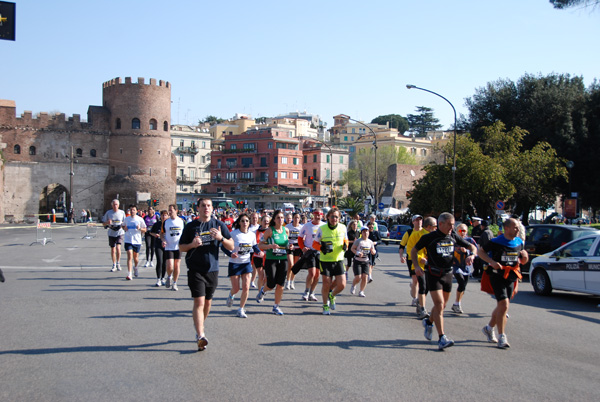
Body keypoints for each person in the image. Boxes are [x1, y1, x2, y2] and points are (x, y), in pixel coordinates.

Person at [411, 212, 476, 350]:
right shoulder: (430, 237)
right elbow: (413, 250)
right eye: (450, 225)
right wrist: (417, 266)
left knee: (442, 306)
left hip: (448, 274)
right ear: (440, 224)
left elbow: (472, 247)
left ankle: (428, 322)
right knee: (439, 304)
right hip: (433, 274)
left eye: (453, 225)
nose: (452, 227)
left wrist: (472, 255)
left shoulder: (452, 236)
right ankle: (442, 338)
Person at [179, 198, 233, 351]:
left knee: (208, 303)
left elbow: (231, 244)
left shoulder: (218, 225)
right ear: (198, 208)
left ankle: (200, 326)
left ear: (212, 208)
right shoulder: (191, 226)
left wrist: (220, 238)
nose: (206, 208)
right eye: (203, 206)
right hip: (195, 269)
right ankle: (200, 335)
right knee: (199, 302)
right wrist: (192, 245)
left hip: (213, 269)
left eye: (208, 206)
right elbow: (181, 247)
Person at [478, 218, 528, 348]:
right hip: (497, 276)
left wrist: (525, 257)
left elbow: (522, 260)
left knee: (503, 306)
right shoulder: (496, 242)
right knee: (504, 304)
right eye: (515, 227)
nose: (518, 230)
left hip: (511, 277)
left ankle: (489, 328)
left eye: (518, 227)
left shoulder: (519, 242)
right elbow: (480, 251)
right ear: (507, 228)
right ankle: (502, 337)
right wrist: (492, 262)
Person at [223, 213, 260, 318]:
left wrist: (259, 252)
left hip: (246, 263)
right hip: (235, 264)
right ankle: (231, 295)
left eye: (247, 221)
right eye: (243, 221)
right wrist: (230, 254)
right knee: (236, 288)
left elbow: (255, 246)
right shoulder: (234, 234)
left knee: (246, 287)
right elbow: (223, 246)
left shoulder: (251, 234)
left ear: (249, 223)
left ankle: (241, 309)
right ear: (239, 222)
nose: (245, 223)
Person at [314, 207, 348, 315]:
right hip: (325, 260)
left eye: (337, 217)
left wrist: (346, 245)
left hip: (338, 259)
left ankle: (331, 295)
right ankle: (325, 306)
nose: (334, 219)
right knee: (326, 283)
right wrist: (321, 248)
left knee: (342, 284)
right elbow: (314, 244)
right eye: (332, 216)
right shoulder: (322, 229)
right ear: (328, 217)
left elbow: (345, 239)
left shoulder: (343, 227)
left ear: (339, 218)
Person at [257, 210, 292, 315]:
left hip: (283, 260)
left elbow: (286, 245)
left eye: (282, 217)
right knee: (271, 284)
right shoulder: (270, 231)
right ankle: (263, 290)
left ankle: (276, 306)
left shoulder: (286, 230)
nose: (280, 219)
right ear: (274, 220)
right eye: (278, 218)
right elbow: (260, 245)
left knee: (280, 284)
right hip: (271, 260)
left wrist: (289, 247)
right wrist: (270, 246)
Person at [297, 209, 325, 302]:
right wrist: (303, 247)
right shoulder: (307, 225)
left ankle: (312, 293)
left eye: (319, 215)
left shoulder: (324, 226)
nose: (317, 217)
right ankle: (306, 291)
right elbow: (300, 238)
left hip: (320, 253)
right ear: (313, 215)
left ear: (322, 216)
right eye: (316, 215)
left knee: (317, 275)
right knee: (312, 273)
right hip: (310, 252)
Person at [413, 217, 437, 319]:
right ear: (429, 227)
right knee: (422, 285)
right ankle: (422, 309)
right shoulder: (417, 235)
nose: (436, 228)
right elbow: (411, 250)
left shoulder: (436, 237)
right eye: (435, 227)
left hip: (431, 265)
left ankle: (419, 301)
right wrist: (419, 259)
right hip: (420, 265)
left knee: (427, 287)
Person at [451, 223, 477, 314]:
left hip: (466, 266)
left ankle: (457, 303)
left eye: (464, 231)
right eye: (460, 231)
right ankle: (457, 303)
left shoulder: (469, 240)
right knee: (461, 282)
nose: (462, 233)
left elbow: (476, 250)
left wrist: (468, 252)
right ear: (457, 231)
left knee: (463, 286)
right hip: (456, 265)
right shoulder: (453, 240)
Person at [399, 215, 423, 307]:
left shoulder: (425, 232)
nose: (419, 221)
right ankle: (415, 298)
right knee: (416, 279)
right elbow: (402, 246)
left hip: (423, 259)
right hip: (411, 259)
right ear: (413, 222)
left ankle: (414, 288)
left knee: (421, 280)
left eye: (420, 220)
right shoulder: (409, 233)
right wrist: (401, 256)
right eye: (417, 220)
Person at [161, 204, 185, 291]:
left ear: (176, 211)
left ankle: (175, 283)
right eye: (169, 210)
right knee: (170, 266)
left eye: (171, 210)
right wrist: (163, 240)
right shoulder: (166, 222)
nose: (169, 212)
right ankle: (169, 276)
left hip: (178, 246)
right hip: (169, 246)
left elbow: (185, 233)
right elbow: (162, 234)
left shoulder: (181, 221)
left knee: (176, 265)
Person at [122, 205, 147, 280]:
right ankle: (129, 274)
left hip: (137, 240)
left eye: (133, 210)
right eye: (131, 210)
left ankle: (135, 267)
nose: (132, 211)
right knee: (129, 255)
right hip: (128, 240)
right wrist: (124, 228)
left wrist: (140, 229)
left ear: (137, 211)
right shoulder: (126, 219)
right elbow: (123, 226)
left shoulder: (140, 219)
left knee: (136, 257)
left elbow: (145, 229)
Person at [350, 226, 376, 297]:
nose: (366, 233)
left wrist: (373, 251)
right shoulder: (358, 241)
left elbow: (373, 250)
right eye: (364, 232)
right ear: (361, 233)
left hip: (365, 261)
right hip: (357, 261)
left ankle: (361, 291)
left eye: (367, 231)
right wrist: (357, 253)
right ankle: (353, 285)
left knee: (365, 277)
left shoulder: (370, 242)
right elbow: (352, 249)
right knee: (358, 277)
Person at [103, 199, 126, 272]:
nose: (115, 206)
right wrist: (107, 222)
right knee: (113, 249)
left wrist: (123, 224)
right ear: (112, 205)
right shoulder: (108, 213)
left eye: (116, 204)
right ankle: (114, 264)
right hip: (111, 232)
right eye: (114, 204)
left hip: (119, 232)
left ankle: (118, 263)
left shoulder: (122, 212)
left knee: (118, 248)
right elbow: (103, 223)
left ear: (118, 205)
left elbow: (125, 223)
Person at [149, 210, 168, 287]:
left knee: (164, 262)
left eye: (165, 215)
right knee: (159, 261)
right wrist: (155, 234)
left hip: (167, 245)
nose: (164, 217)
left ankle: (163, 277)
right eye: (162, 215)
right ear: (160, 216)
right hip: (158, 244)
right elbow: (151, 232)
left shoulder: (169, 224)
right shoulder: (157, 224)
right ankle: (158, 279)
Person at [285, 212, 303, 290]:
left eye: (298, 218)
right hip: (290, 247)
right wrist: (289, 243)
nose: (296, 219)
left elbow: (303, 238)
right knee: (290, 264)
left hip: (298, 248)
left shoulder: (302, 228)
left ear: (300, 219)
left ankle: (292, 281)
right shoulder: (288, 227)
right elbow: (285, 237)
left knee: (295, 266)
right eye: (295, 217)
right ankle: (288, 281)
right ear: (292, 218)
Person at [251, 215, 269, 289]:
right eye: (264, 221)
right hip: (257, 256)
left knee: (266, 277)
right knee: (261, 275)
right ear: (261, 222)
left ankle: (262, 290)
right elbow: (252, 243)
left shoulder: (270, 232)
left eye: (267, 222)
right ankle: (259, 293)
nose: (266, 223)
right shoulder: (255, 232)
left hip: (267, 256)